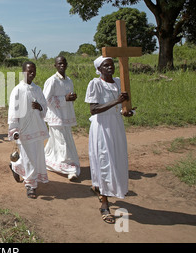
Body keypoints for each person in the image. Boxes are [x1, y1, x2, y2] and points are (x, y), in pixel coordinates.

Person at [85, 56, 134, 224]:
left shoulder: (119, 82)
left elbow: (122, 107)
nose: (110, 68)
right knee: (104, 161)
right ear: (99, 68)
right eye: (105, 65)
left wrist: (126, 111)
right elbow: (93, 109)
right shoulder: (95, 84)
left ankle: (106, 188)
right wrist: (116, 101)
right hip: (102, 128)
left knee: (118, 159)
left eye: (111, 65)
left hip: (116, 127)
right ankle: (104, 204)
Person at [8, 61, 49, 199]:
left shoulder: (37, 89)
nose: (32, 73)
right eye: (29, 71)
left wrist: (40, 107)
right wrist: (14, 129)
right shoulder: (18, 90)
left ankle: (16, 166)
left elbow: (45, 106)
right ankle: (30, 185)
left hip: (37, 127)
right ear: (23, 72)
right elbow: (13, 110)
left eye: (34, 71)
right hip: (24, 128)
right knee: (28, 156)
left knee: (35, 156)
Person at [43, 56, 80, 181]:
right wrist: (65, 98)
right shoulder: (52, 81)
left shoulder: (69, 81)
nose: (62, 65)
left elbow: (68, 97)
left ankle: (42, 160)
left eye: (64, 63)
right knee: (62, 143)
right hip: (55, 118)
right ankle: (70, 169)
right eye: (59, 63)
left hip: (66, 116)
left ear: (67, 64)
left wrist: (72, 97)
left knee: (57, 143)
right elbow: (45, 100)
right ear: (55, 66)